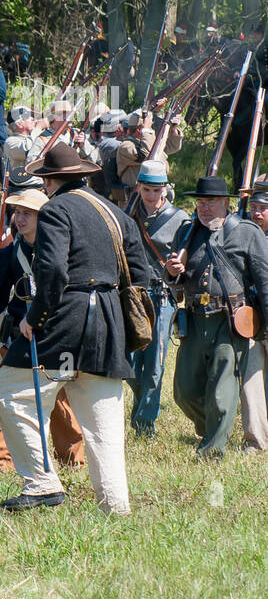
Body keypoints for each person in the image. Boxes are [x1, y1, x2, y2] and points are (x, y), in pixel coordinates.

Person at [0, 143, 151, 513]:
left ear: (49, 181)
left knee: (11, 390)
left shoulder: (54, 210)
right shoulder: (116, 214)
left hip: (66, 322)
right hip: (109, 325)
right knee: (104, 423)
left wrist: (34, 319)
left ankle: (41, 482)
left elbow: (54, 273)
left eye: (44, 180)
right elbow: (141, 276)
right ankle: (115, 506)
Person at [164, 175, 268, 457]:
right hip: (195, 318)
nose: (204, 208)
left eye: (210, 202)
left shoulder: (247, 232)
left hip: (231, 321)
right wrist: (173, 272)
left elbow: (265, 280)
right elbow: (173, 281)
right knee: (183, 392)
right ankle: (212, 428)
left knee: (222, 394)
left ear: (225, 202)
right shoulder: (186, 233)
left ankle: (211, 452)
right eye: (200, 202)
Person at [0, 188, 85, 471]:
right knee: (9, 396)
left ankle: (71, 458)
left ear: (43, 217)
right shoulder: (6, 256)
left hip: (54, 334)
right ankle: (1, 461)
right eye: (17, 212)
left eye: (28, 213)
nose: (20, 218)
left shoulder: (59, 252)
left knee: (60, 398)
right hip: (19, 335)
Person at [126, 160, 185, 436]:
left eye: (156, 190)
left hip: (161, 295)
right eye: (147, 189)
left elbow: (188, 263)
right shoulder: (128, 214)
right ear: (139, 187)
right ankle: (140, 409)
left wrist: (176, 271)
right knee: (127, 360)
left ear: (165, 189)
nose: (151, 196)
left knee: (154, 364)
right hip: (131, 294)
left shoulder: (180, 219)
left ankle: (144, 422)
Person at [239, 178, 268, 452]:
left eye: (263, 208)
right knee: (250, 381)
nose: (257, 213)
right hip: (252, 317)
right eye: (254, 207)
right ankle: (256, 441)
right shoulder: (244, 234)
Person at [2, 107, 37, 171]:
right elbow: (30, 151)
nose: (33, 119)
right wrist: (38, 129)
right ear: (19, 124)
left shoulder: (34, 136)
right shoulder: (10, 142)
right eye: (28, 116)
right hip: (24, 180)